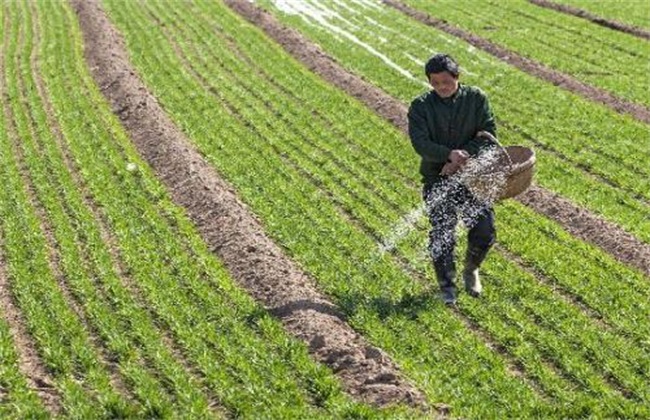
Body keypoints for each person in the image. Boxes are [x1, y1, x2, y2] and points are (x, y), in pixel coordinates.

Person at [407, 53, 498, 305]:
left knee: (484, 230)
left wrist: (464, 155)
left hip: (473, 177)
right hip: (438, 178)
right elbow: (420, 143)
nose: (441, 88)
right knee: (442, 234)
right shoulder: (420, 107)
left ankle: (471, 269)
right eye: (435, 83)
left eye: (446, 82)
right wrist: (447, 155)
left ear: (457, 77)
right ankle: (446, 286)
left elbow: (488, 134)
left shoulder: (476, 99)